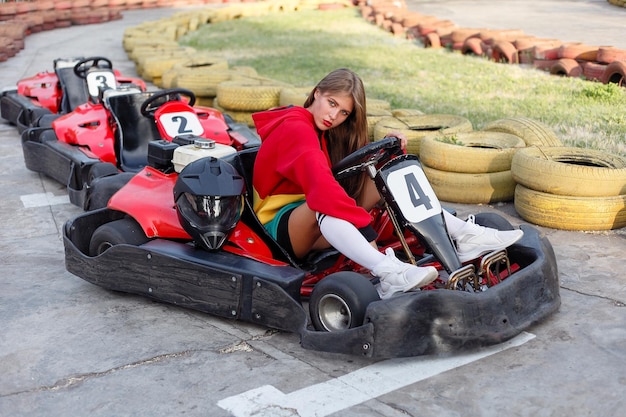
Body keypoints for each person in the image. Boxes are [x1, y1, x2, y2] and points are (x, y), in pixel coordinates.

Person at [251, 68, 522, 299]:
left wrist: (387, 153)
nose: (334, 116)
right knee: (323, 205)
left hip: (311, 216)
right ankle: (386, 270)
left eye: (344, 112)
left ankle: (462, 233)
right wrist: (366, 230)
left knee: (387, 172)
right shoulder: (295, 129)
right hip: (279, 227)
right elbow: (322, 190)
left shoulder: (321, 129)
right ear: (317, 92)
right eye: (332, 103)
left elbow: (338, 170)